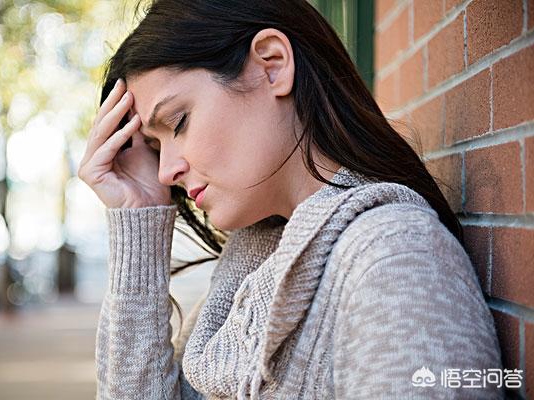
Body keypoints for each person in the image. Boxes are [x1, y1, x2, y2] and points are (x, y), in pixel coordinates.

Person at [78, 0, 504, 398]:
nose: (165, 170)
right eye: (155, 147)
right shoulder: (248, 275)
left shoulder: (395, 262)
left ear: (272, 65)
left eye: (178, 122)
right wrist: (139, 216)